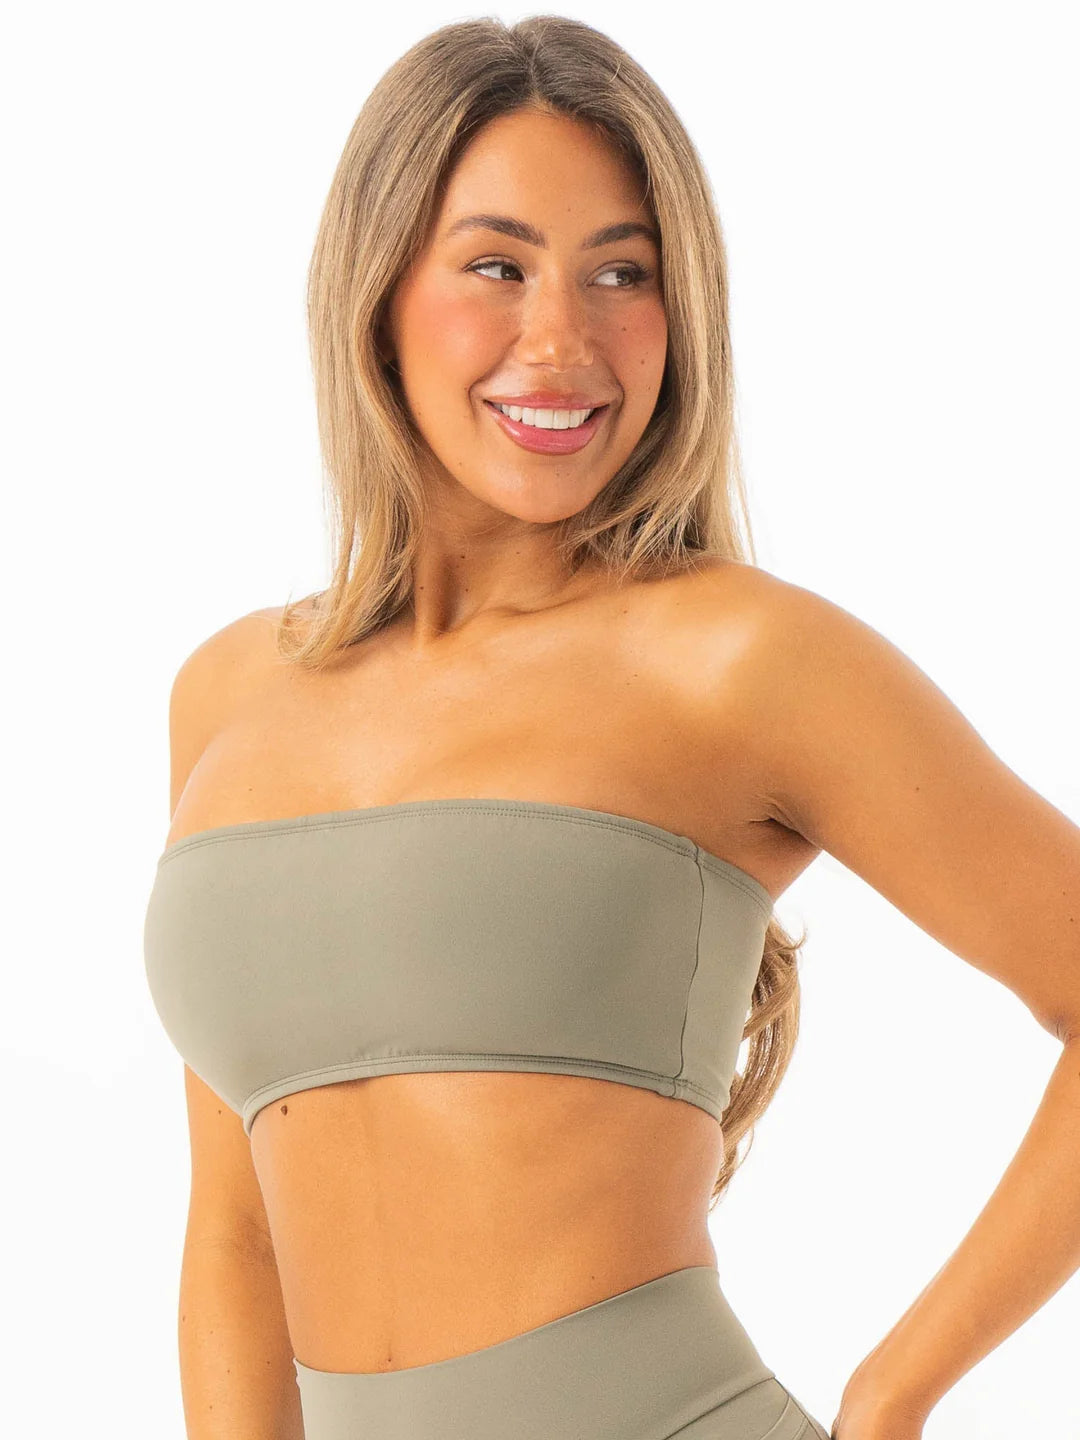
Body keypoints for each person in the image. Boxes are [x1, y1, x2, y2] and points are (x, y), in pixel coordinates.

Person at [142, 16, 1080, 1440]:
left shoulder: (739, 659)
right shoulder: (227, 694)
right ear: (376, 286)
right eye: (497, 265)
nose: (561, 341)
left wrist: (892, 1398)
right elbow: (235, 1231)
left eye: (622, 273)